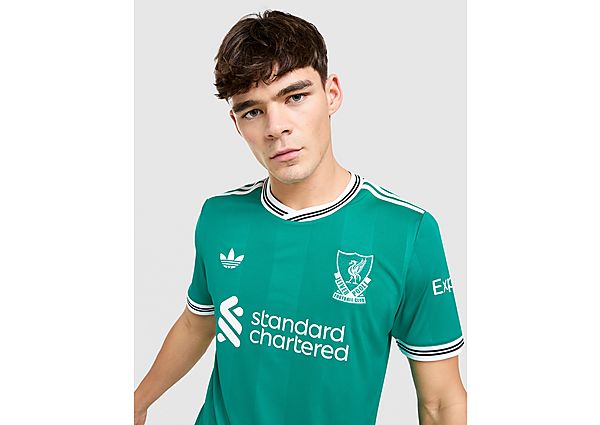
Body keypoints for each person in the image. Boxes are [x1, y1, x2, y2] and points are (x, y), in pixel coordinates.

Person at [134, 9, 466, 425]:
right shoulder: (219, 217)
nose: (276, 127)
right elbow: (197, 323)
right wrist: (138, 401)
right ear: (236, 124)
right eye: (252, 111)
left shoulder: (406, 232)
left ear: (332, 94)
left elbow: (441, 400)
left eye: (294, 97)